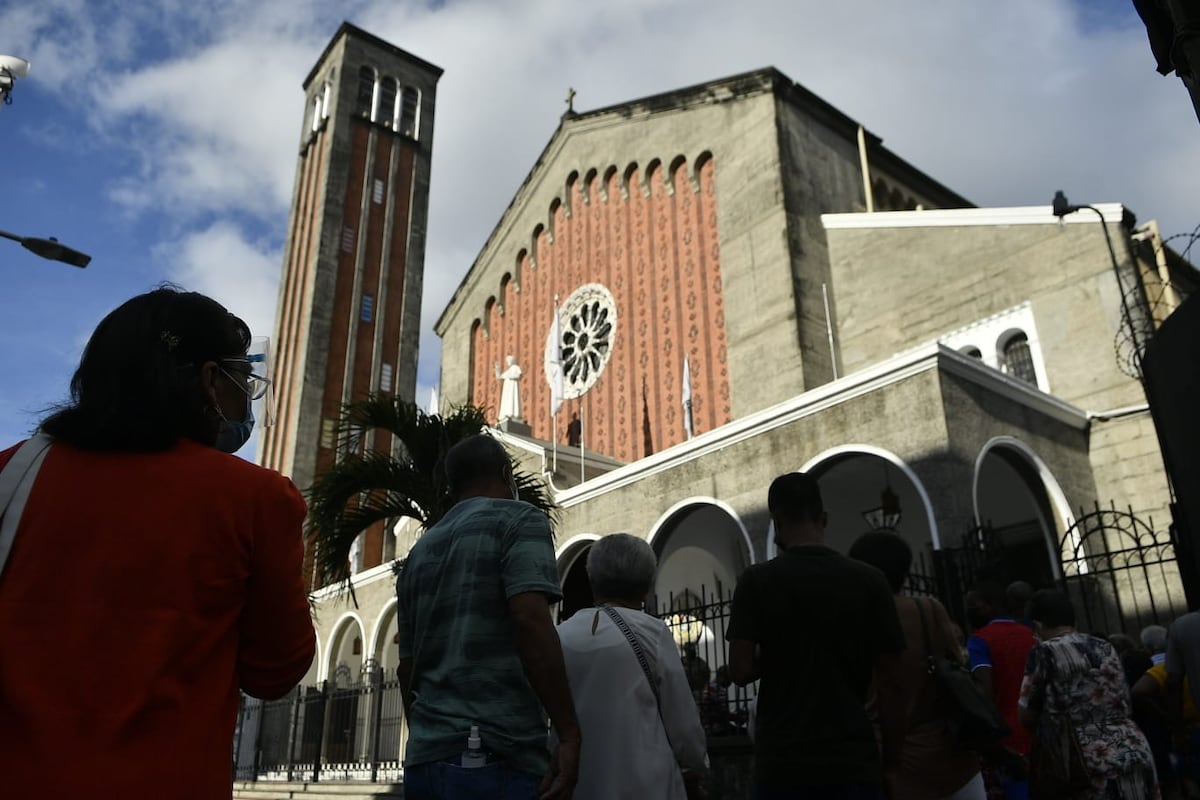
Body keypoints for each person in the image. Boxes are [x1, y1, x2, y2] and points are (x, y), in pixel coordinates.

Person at [0, 287, 316, 799]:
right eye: (245, 380)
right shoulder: (255, 497)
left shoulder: (9, 474)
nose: (247, 400)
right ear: (212, 381)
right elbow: (276, 669)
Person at [396, 433, 580, 799]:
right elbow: (529, 620)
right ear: (506, 473)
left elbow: (407, 666)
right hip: (496, 752)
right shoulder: (519, 519)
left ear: (452, 488)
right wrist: (569, 732)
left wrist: (425, 734)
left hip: (426, 761)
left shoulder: (418, 554)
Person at [727, 471, 906, 799]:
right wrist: (892, 761)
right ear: (823, 518)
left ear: (776, 521)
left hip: (783, 760)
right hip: (851, 755)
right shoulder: (870, 580)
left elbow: (739, 670)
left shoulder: (756, 582)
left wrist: (780, 652)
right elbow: (893, 682)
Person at [555, 533, 708, 799]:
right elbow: (683, 724)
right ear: (648, 587)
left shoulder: (560, 635)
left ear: (592, 581)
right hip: (647, 784)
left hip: (578, 782)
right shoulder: (654, 633)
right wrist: (697, 765)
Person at [849, 531, 984, 800]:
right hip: (950, 757)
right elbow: (959, 662)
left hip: (893, 764)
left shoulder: (854, 621)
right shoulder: (928, 609)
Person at [1018, 589, 1158, 799]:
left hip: (1085, 759)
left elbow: (1026, 715)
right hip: (1132, 745)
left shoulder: (1044, 652)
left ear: (1038, 625)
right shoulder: (1105, 646)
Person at [966, 580, 1036, 800]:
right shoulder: (1031, 635)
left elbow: (983, 692)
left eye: (974, 606)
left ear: (992, 605)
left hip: (1007, 740)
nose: (970, 612)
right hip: (1038, 732)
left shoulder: (980, 640)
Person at [495, 355, 523, 422]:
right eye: (507, 361)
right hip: (507, 390)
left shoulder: (516, 368)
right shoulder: (509, 370)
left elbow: (519, 375)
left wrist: (510, 376)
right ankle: (507, 414)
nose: (508, 362)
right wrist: (497, 369)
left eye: (509, 361)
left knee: (513, 399)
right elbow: (499, 377)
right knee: (508, 400)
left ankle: (513, 414)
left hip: (513, 388)